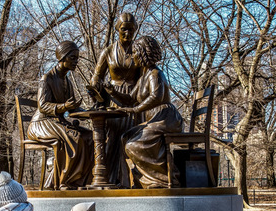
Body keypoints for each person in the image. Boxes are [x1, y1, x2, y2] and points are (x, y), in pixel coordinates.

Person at [107, 36, 182, 188]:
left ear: (143, 54)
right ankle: (132, 182)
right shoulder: (143, 78)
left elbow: (156, 96)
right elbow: (130, 98)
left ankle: (163, 179)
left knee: (133, 145)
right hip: (155, 119)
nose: (133, 56)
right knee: (125, 137)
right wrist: (112, 92)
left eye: (135, 52)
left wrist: (135, 110)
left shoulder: (155, 74)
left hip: (165, 118)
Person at [27, 41, 94, 190]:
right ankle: (64, 181)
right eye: (72, 58)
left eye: (77, 58)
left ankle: (80, 181)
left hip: (57, 122)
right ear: (62, 57)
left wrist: (92, 112)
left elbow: (73, 109)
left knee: (89, 136)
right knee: (74, 137)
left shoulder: (67, 82)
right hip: (41, 123)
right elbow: (42, 106)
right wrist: (63, 107)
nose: (76, 61)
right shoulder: (47, 78)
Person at [89, 13, 141, 187]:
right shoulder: (108, 51)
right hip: (113, 99)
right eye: (124, 29)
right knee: (112, 138)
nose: (127, 33)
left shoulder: (138, 51)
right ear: (117, 29)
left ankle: (132, 180)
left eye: (131, 30)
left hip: (133, 98)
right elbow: (97, 75)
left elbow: (144, 76)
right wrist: (95, 85)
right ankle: (111, 179)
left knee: (131, 137)